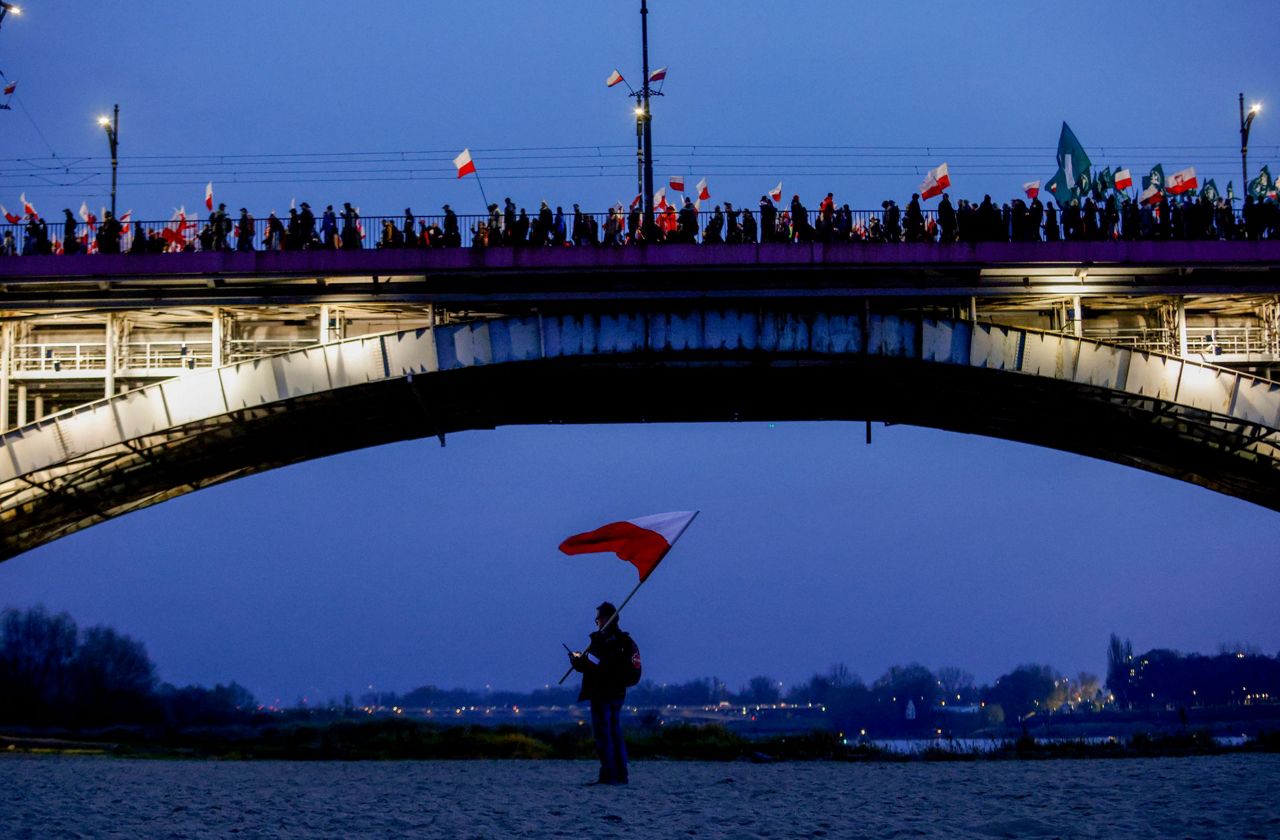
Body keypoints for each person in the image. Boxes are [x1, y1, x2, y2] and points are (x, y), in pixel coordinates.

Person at [568, 602, 637, 786]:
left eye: (597, 618)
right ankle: (621, 775)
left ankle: (608, 775)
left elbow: (594, 665)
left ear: (605, 618)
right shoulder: (625, 641)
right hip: (618, 693)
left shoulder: (602, 641)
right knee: (615, 732)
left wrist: (577, 662)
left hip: (602, 692)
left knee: (603, 734)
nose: (596, 622)